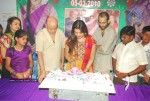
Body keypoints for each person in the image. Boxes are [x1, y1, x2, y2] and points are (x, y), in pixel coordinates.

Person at [36, 16, 66, 83]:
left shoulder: (60, 33)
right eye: (51, 29)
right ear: (46, 25)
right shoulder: (40, 34)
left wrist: (62, 63)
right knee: (44, 91)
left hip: (57, 69)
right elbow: (39, 53)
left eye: (55, 28)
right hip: (45, 69)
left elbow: (62, 48)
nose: (53, 31)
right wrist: (42, 70)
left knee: (56, 90)